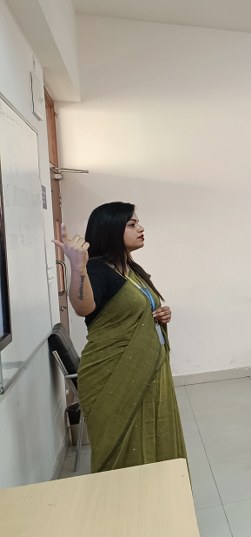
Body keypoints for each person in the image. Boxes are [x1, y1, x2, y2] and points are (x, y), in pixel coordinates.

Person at [55, 202, 185, 472]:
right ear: (111, 229)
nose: (141, 228)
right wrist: (78, 267)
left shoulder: (130, 269)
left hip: (149, 369)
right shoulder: (96, 269)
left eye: (138, 223)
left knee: (155, 438)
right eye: (132, 224)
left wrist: (160, 314)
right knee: (123, 450)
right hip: (112, 373)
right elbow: (83, 308)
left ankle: (158, 494)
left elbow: (135, 311)